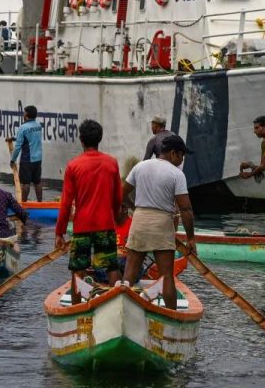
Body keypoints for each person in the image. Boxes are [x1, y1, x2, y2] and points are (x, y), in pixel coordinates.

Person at [121, 135, 196, 310]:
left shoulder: (140, 166)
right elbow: (185, 209)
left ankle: (123, 310)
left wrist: (135, 208)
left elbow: (122, 195)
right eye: (181, 155)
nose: (182, 160)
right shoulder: (177, 174)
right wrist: (190, 238)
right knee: (166, 276)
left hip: (140, 219)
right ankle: (172, 315)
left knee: (129, 272)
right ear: (173, 153)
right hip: (162, 223)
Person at [55, 119, 123, 303]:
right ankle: (115, 306)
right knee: (111, 268)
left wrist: (60, 232)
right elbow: (118, 198)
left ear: (81, 140)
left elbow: (66, 204)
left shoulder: (73, 166)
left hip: (82, 226)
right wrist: (114, 219)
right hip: (105, 224)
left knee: (78, 270)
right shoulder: (112, 163)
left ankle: (77, 310)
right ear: (100, 138)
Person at [10, 105, 43, 202]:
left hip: (27, 159)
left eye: (24, 112)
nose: (23, 114)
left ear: (27, 115)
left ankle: (24, 204)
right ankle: (40, 203)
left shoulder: (23, 128)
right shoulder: (38, 126)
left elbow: (18, 147)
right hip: (38, 159)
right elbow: (31, 138)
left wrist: (13, 160)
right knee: (37, 181)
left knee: (25, 183)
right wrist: (15, 138)